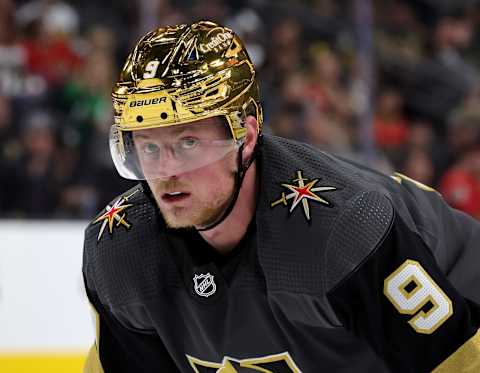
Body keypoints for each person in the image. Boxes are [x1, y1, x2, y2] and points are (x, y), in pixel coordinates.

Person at [82, 21, 480, 372]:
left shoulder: (340, 230)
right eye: (148, 147)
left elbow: (458, 361)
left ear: (247, 137)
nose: (167, 171)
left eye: (188, 142)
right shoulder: (121, 250)